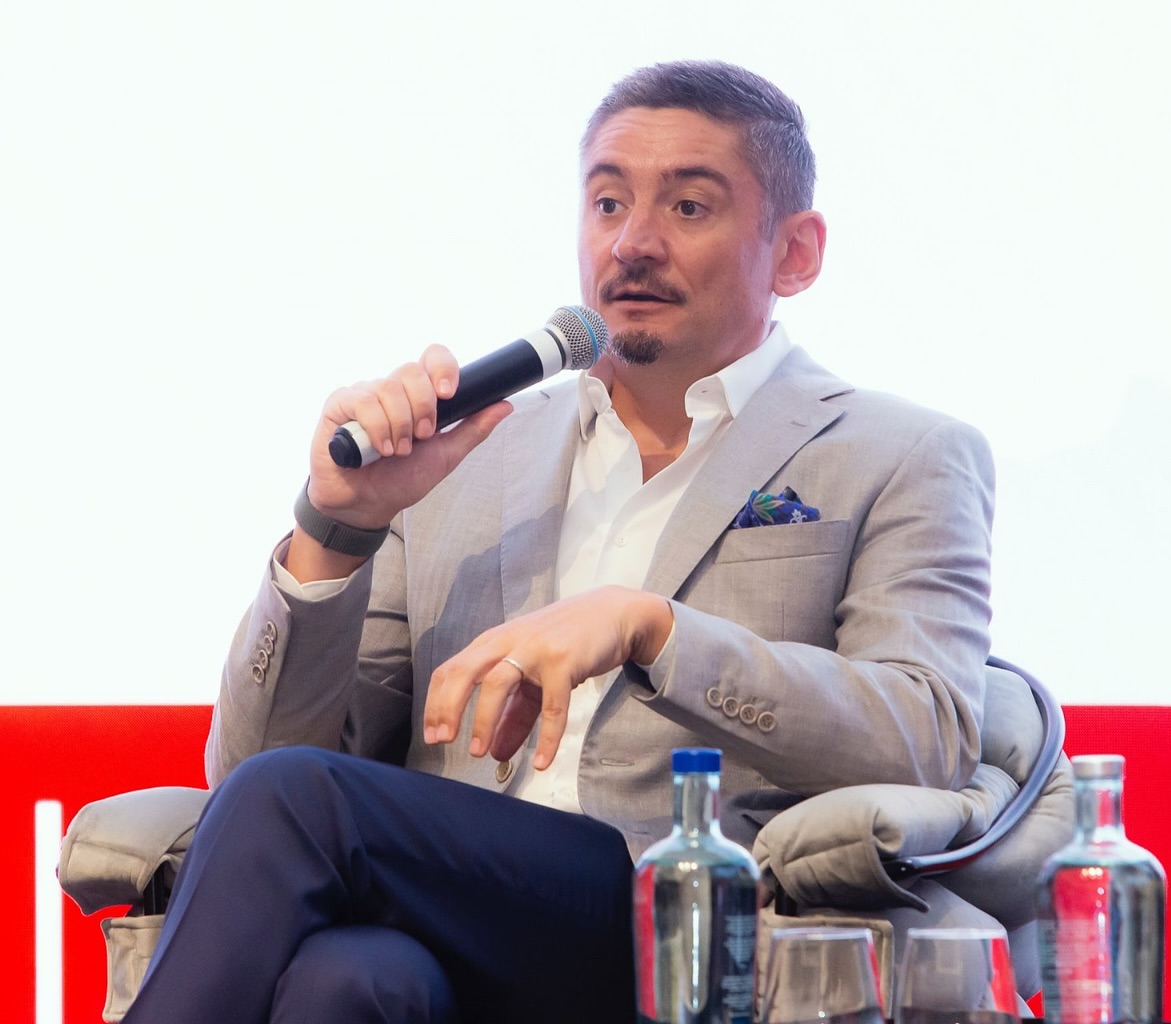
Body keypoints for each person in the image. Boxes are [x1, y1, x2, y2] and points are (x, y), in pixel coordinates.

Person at [123, 59, 996, 1023]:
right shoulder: (468, 455)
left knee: (304, 803)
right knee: (348, 982)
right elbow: (254, 772)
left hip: (675, 917)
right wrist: (336, 528)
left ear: (795, 253)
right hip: (456, 923)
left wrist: (654, 629)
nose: (633, 243)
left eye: (689, 207)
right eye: (608, 202)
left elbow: (929, 737)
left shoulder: (900, 453)